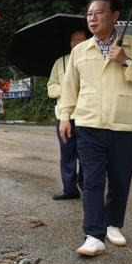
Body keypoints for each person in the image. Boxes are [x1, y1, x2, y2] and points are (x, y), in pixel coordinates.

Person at [59, 0, 132, 257]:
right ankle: (93, 234)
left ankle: (113, 223)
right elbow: (70, 87)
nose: (92, 18)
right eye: (89, 13)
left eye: (99, 13)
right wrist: (65, 116)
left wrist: (126, 60)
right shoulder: (80, 50)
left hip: (124, 124)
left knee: (120, 180)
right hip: (89, 123)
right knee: (91, 180)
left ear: (115, 16)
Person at [47, 29, 88, 200]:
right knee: (67, 154)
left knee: (86, 154)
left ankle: (87, 187)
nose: (77, 43)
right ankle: (69, 189)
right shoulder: (60, 62)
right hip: (65, 117)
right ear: (70, 43)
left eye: (81, 39)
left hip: (87, 116)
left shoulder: (92, 60)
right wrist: (66, 87)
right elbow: (51, 88)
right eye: (74, 40)